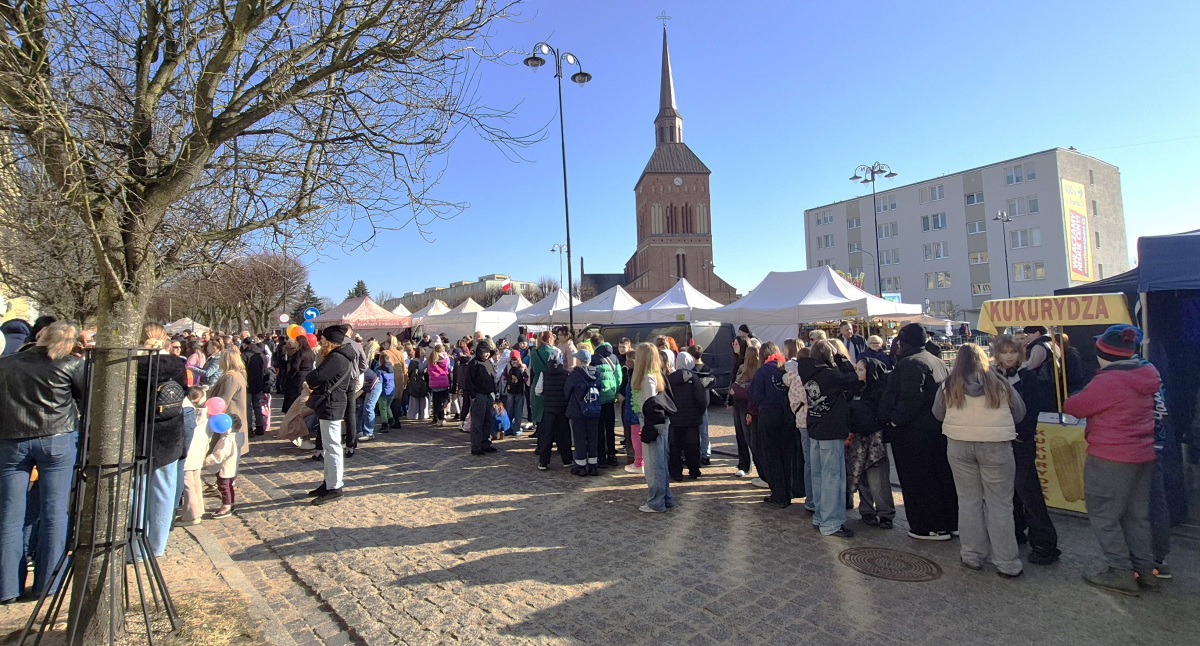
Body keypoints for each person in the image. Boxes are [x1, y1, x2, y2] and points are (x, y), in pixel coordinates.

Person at [1063, 324, 1162, 595]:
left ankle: (1119, 572)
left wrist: (1075, 396)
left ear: (1103, 353)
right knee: (1137, 516)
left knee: (1105, 515)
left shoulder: (1108, 381)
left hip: (1110, 457)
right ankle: (1145, 571)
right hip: (1142, 454)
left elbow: (1074, 407)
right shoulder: (1146, 371)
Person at [0, 322, 85, 603]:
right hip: (56, 438)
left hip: (13, 439)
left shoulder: (7, 363)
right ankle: (48, 582)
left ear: (40, 335)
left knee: (11, 515)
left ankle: (7, 586)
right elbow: (83, 397)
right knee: (54, 512)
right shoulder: (71, 365)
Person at [933, 344, 1026, 577]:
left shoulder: (949, 385)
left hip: (959, 445)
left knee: (968, 501)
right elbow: (1019, 413)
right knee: (1000, 504)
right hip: (996, 446)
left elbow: (937, 413)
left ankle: (972, 554)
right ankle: (1007, 562)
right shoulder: (1000, 383)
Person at [880, 323, 958, 541]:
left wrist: (895, 421)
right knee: (940, 476)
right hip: (936, 429)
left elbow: (912, 397)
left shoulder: (910, 363)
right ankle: (949, 522)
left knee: (919, 480)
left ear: (903, 343)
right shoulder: (936, 360)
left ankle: (929, 526)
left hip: (913, 433)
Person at [993, 334, 1060, 565]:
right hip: (999, 440)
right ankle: (1015, 530)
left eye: (1013, 351)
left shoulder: (1027, 376)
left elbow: (1033, 410)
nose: (1009, 356)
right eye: (1005, 352)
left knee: (1028, 490)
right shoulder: (991, 375)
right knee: (1006, 490)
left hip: (1021, 441)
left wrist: (1023, 434)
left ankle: (1044, 543)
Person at [134, 323, 189, 557]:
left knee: (137, 491)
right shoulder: (176, 364)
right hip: (169, 431)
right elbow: (183, 391)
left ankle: (135, 545)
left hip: (139, 430)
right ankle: (157, 544)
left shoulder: (132, 364)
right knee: (164, 489)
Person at [797, 340, 860, 537]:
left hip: (815, 427)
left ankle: (820, 516)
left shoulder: (806, 371)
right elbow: (853, 380)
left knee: (818, 476)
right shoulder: (829, 375)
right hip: (831, 429)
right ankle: (831, 522)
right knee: (833, 477)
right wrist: (841, 358)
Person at [306, 327, 355, 504]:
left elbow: (316, 377)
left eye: (323, 340)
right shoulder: (339, 356)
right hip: (332, 404)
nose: (320, 342)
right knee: (329, 446)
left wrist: (311, 374)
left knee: (333, 446)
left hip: (332, 404)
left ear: (330, 342)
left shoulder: (337, 358)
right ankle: (328, 483)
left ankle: (335, 487)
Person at [848, 357, 895, 529]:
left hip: (875, 438)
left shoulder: (881, 390)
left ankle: (886, 513)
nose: (857, 373)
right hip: (858, 438)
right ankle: (866, 510)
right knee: (860, 475)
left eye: (861, 370)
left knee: (878, 477)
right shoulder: (856, 388)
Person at [750, 342, 797, 508]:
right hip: (788, 414)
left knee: (772, 454)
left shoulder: (762, 371)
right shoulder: (786, 368)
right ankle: (788, 492)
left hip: (770, 414)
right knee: (786, 454)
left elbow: (755, 396)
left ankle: (779, 494)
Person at [633, 343, 674, 513]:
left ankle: (656, 501)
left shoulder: (647, 377)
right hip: (656, 421)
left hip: (651, 421)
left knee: (654, 464)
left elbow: (651, 405)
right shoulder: (656, 375)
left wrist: (648, 427)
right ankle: (665, 498)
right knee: (659, 462)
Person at [208, 347, 249, 518]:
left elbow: (222, 401)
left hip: (229, 424)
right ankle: (225, 490)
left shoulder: (231, 377)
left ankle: (227, 500)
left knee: (225, 462)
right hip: (233, 422)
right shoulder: (237, 375)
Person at [667, 353, 706, 481]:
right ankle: (694, 471)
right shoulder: (694, 378)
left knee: (675, 448)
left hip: (675, 418)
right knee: (693, 447)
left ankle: (676, 472)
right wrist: (699, 412)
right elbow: (701, 399)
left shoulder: (669, 378)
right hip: (692, 419)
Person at [731, 341, 766, 484]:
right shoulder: (740, 365)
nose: (734, 346)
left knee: (749, 437)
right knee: (742, 435)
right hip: (739, 405)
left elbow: (749, 390)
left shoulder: (758, 370)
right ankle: (745, 465)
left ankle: (760, 471)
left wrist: (736, 390)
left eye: (737, 344)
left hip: (748, 407)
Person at [565, 348, 602, 475]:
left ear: (580, 361)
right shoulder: (597, 373)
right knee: (593, 436)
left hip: (577, 410)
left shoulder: (575, 374)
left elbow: (567, 392)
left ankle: (581, 465)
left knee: (579, 437)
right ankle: (593, 465)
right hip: (594, 408)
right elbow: (600, 388)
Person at [178, 387, 211, 526]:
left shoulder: (189, 413)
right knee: (196, 480)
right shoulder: (205, 414)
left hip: (190, 452)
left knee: (188, 483)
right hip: (199, 451)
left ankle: (191, 514)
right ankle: (199, 509)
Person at [590, 335, 622, 468]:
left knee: (599, 428)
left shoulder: (594, 358)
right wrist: (615, 392)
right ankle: (612, 456)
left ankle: (601, 456)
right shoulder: (614, 358)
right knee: (610, 428)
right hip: (610, 396)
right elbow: (619, 377)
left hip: (598, 397)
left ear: (593, 344)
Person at [536, 354, 572, 470]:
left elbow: (538, 390)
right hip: (562, 408)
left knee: (547, 436)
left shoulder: (544, 373)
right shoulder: (566, 374)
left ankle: (543, 462)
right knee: (564, 436)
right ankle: (567, 460)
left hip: (549, 410)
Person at [465, 342, 498, 456]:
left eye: (488, 352)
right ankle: (476, 446)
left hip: (490, 394)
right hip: (479, 395)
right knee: (478, 422)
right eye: (485, 352)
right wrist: (473, 395)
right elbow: (469, 381)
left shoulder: (489, 362)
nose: (487, 354)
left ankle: (486, 443)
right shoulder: (474, 363)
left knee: (489, 420)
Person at [620, 349, 644, 474]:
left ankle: (639, 461)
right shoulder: (632, 373)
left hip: (636, 412)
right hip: (633, 411)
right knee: (634, 436)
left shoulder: (638, 375)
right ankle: (637, 459)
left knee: (636, 436)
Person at [529, 331, 556, 430]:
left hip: (537, 380)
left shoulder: (534, 352)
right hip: (550, 381)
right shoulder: (553, 352)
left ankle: (539, 431)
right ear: (549, 339)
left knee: (538, 406)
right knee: (548, 407)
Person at [283, 335, 315, 414]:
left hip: (298, 377)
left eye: (296, 342)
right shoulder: (311, 352)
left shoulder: (299, 353)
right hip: (308, 375)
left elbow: (295, 367)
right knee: (304, 395)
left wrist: (289, 376)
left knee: (295, 397)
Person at [501, 351, 529, 436]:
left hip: (510, 390)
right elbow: (526, 379)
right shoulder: (523, 366)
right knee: (518, 410)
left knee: (509, 409)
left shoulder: (508, 366)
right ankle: (516, 429)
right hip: (520, 391)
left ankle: (507, 429)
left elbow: (504, 377)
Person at [427, 346, 452, 427]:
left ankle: (439, 419)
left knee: (436, 403)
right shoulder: (444, 360)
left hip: (434, 385)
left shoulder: (431, 361)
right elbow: (449, 369)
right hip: (443, 384)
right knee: (445, 400)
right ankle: (443, 415)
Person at [357, 364, 381, 441]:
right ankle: (359, 431)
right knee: (359, 408)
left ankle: (369, 433)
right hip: (366, 386)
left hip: (374, 385)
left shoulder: (358, 367)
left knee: (368, 407)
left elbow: (358, 384)